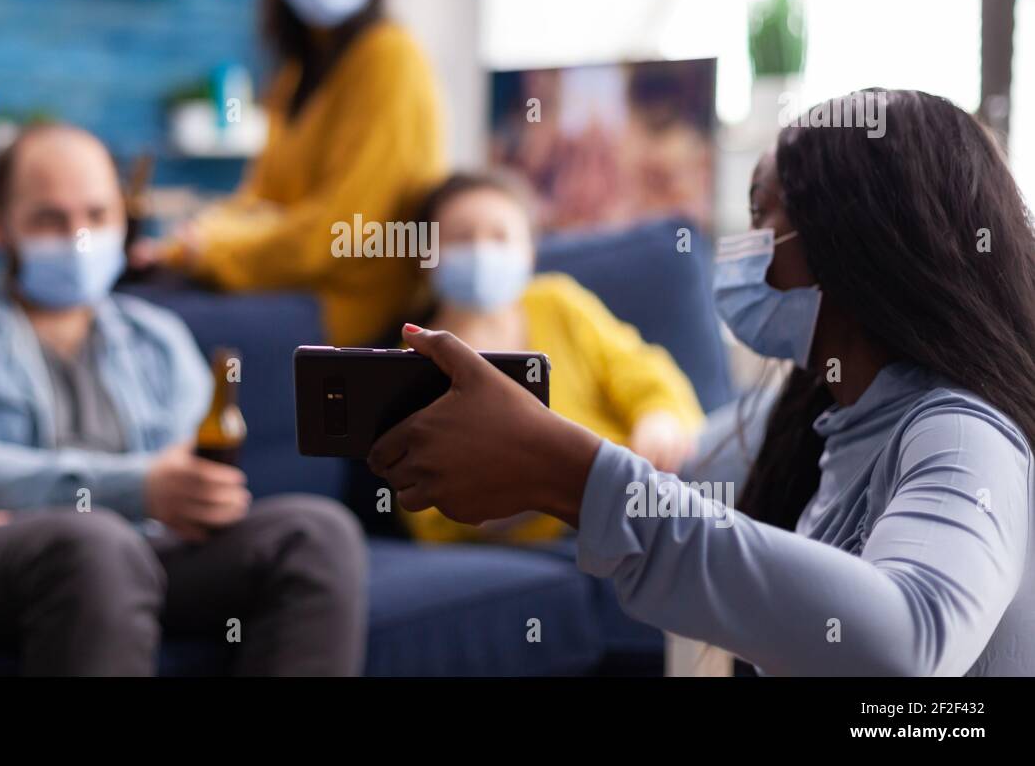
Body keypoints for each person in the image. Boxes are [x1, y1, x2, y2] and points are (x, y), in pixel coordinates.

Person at [368, 89, 1035, 675]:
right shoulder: (832, 423)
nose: (741, 247)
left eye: (763, 216)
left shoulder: (960, 433)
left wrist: (572, 475)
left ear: (859, 240)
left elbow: (905, 645)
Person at [0, 124, 367, 676]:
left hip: (138, 556)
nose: (78, 237)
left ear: (124, 221)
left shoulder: (157, 336)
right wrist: (138, 490)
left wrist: (197, 499)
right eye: (50, 219)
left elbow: (187, 476)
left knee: (317, 531)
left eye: (97, 216)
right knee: (93, 541)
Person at [132, 0, 446, 346]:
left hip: (352, 308)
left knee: (151, 327)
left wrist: (211, 253)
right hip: (295, 285)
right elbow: (263, 200)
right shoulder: (295, 74)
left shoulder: (391, 57)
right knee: (134, 300)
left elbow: (344, 233)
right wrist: (184, 244)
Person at [393, 172, 703, 544]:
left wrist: (660, 417)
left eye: (500, 236)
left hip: (648, 475)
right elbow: (426, 509)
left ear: (529, 252)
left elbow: (644, 372)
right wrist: (549, 490)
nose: (482, 251)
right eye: (460, 238)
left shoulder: (557, 303)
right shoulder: (414, 362)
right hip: (579, 519)